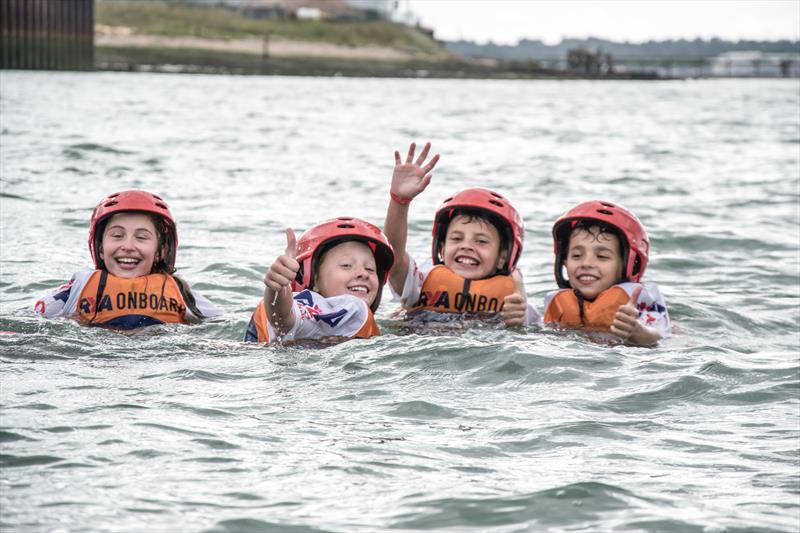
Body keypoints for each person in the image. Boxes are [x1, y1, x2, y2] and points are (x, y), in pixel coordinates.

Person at [383, 142, 539, 326]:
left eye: (481, 241)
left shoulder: (517, 306)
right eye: (456, 238)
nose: (466, 245)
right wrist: (400, 201)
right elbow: (393, 256)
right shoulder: (420, 284)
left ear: (503, 257)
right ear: (441, 247)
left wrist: (518, 325)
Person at [35, 190, 221, 328]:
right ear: (100, 248)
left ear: (161, 251)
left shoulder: (183, 295)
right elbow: (26, 323)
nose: (128, 246)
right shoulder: (77, 289)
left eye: (141, 237)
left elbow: (223, 327)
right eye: (117, 235)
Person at [245, 217, 394, 343]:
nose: (363, 273)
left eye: (370, 269)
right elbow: (284, 320)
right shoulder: (353, 309)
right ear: (312, 279)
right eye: (346, 265)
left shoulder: (356, 318)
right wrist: (276, 289)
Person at [544, 200, 670, 346]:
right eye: (577, 255)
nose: (586, 263)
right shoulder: (556, 304)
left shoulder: (639, 301)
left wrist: (636, 332)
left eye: (602, 257)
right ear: (564, 261)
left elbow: (658, 336)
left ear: (630, 265)